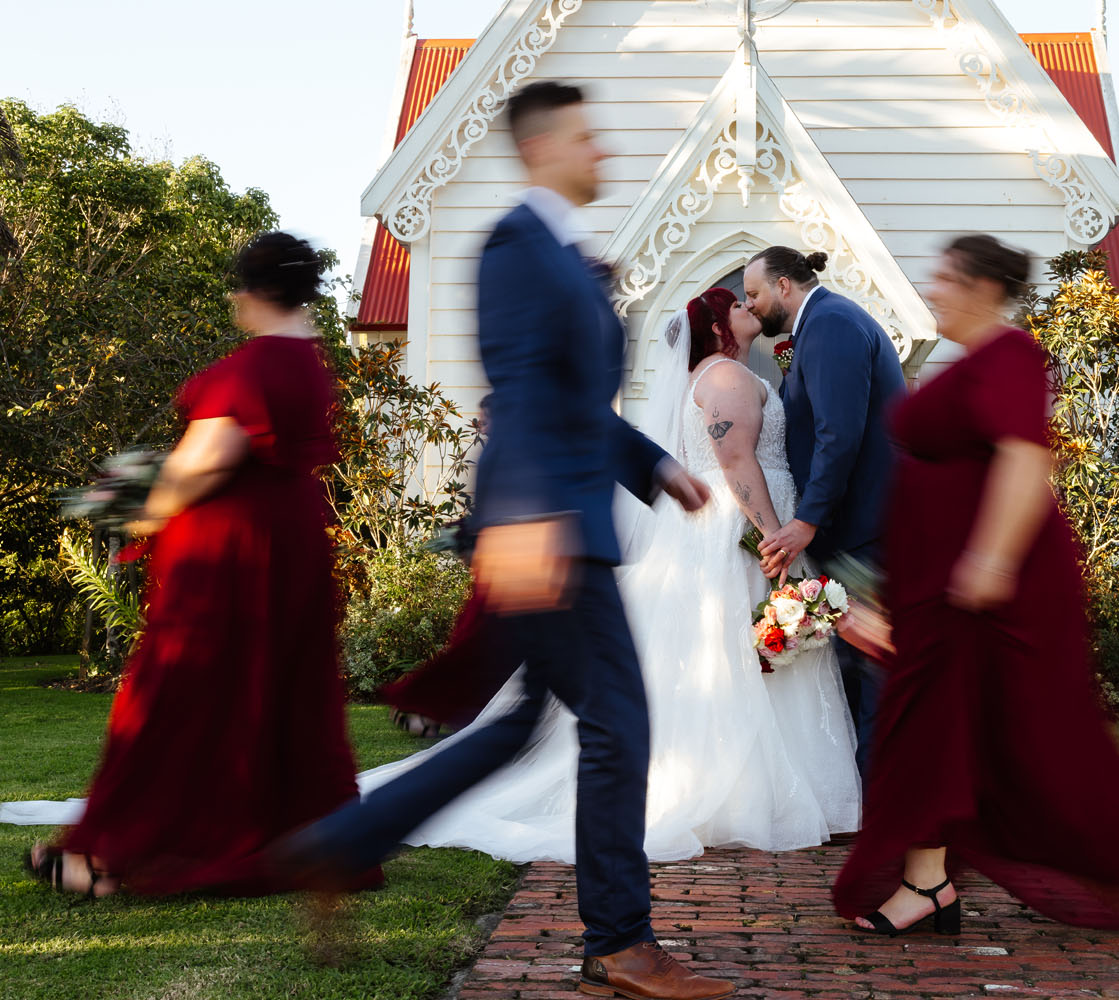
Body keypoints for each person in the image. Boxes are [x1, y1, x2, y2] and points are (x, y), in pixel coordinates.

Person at [271, 82, 733, 1000]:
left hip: (553, 520)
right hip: (547, 529)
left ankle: (337, 847)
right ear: (543, 145)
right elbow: (521, 393)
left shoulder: (564, 252)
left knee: (521, 725)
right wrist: (533, 525)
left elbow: (573, 401)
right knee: (617, 726)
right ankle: (621, 940)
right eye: (585, 137)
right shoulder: (518, 248)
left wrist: (652, 467)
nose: (600, 150)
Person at [353, 287, 860, 861]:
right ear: (719, 326)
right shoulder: (726, 379)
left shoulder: (721, 375)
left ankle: (771, 792)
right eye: (738, 305)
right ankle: (740, 798)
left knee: (739, 653)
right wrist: (774, 536)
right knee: (733, 653)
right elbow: (736, 459)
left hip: (723, 525)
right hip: (737, 528)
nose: (749, 307)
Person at [13, 232, 380, 898]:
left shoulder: (253, 368)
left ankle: (115, 855)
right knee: (280, 694)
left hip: (232, 563)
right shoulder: (311, 362)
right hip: (291, 550)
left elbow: (205, 463)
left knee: (181, 699)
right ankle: (315, 844)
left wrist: (140, 501)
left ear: (251, 290)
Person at [833, 235, 1119, 936]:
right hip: (935, 587)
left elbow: (1025, 460)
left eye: (944, 278)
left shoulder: (1011, 355)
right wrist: (884, 592)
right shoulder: (971, 364)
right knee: (939, 731)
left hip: (987, 587)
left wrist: (987, 564)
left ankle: (952, 882)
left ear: (982, 287)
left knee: (986, 730)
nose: (932, 289)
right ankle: (928, 885)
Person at [743, 247, 906, 778]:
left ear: (785, 286)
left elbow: (840, 435)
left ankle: (880, 800)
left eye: (754, 294)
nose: (751, 305)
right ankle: (864, 794)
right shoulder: (820, 325)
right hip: (853, 526)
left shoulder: (832, 324)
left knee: (874, 667)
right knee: (855, 665)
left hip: (868, 527)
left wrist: (807, 519)